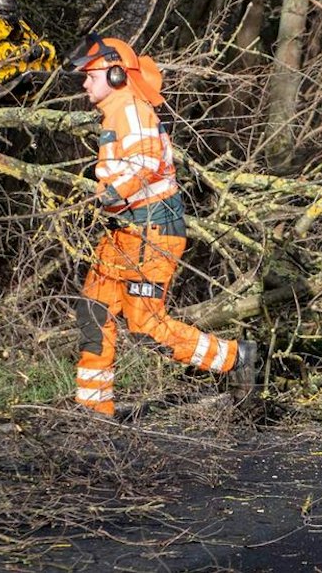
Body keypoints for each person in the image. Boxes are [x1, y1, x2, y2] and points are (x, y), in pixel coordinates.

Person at [68, 36, 257, 416]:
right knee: (94, 311)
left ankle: (235, 358)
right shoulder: (117, 109)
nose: (84, 84)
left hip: (151, 229)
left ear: (116, 73)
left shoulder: (132, 109)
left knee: (147, 327)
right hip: (123, 229)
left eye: (89, 76)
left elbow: (146, 162)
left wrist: (109, 195)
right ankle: (93, 410)